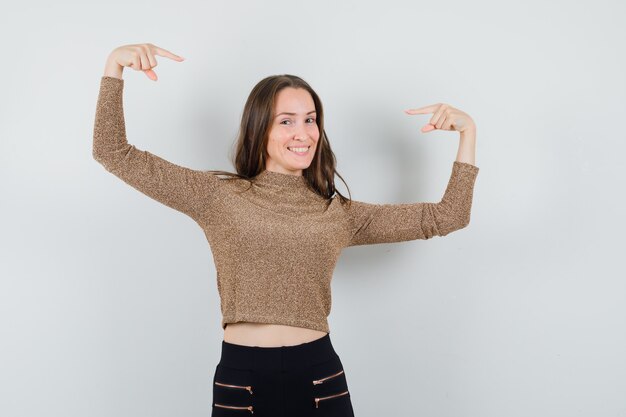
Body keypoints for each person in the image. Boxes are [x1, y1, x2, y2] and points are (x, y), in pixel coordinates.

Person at [93, 43, 480, 417]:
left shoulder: (338, 214)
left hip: (318, 378)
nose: (303, 133)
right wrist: (115, 65)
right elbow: (111, 150)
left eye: (310, 119)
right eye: (286, 121)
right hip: (240, 380)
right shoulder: (216, 196)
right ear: (259, 128)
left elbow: (448, 215)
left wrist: (468, 132)